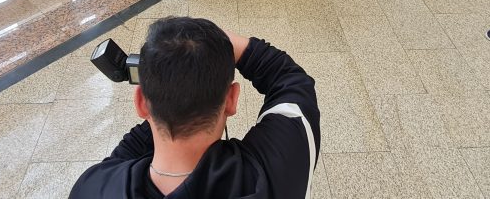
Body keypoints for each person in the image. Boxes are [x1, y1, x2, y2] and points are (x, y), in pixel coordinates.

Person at [71, 16, 320, 198]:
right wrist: (225, 46)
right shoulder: (277, 171)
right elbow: (289, 79)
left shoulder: (93, 187)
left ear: (140, 103)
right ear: (232, 100)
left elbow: (122, 158)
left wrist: (166, 93)